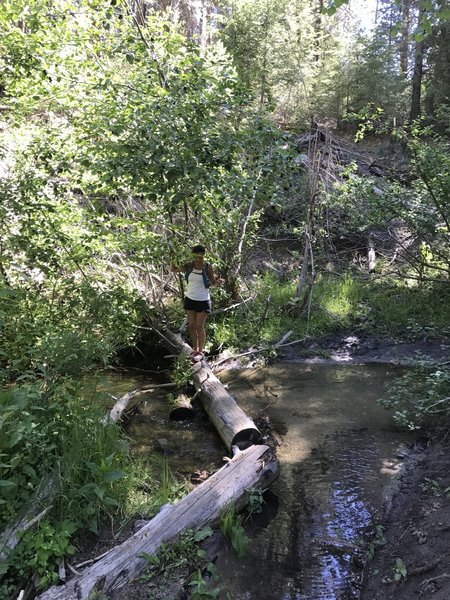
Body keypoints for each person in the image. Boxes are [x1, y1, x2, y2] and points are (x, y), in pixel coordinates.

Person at [170, 244, 218, 362]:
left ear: (203, 255)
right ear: (193, 255)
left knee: (199, 326)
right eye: (196, 256)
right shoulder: (189, 266)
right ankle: (194, 349)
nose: (198, 259)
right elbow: (173, 269)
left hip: (203, 300)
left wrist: (216, 280)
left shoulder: (208, 267)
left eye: (200, 257)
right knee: (191, 326)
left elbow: (212, 282)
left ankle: (200, 351)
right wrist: (172, 257)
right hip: (190, 299)